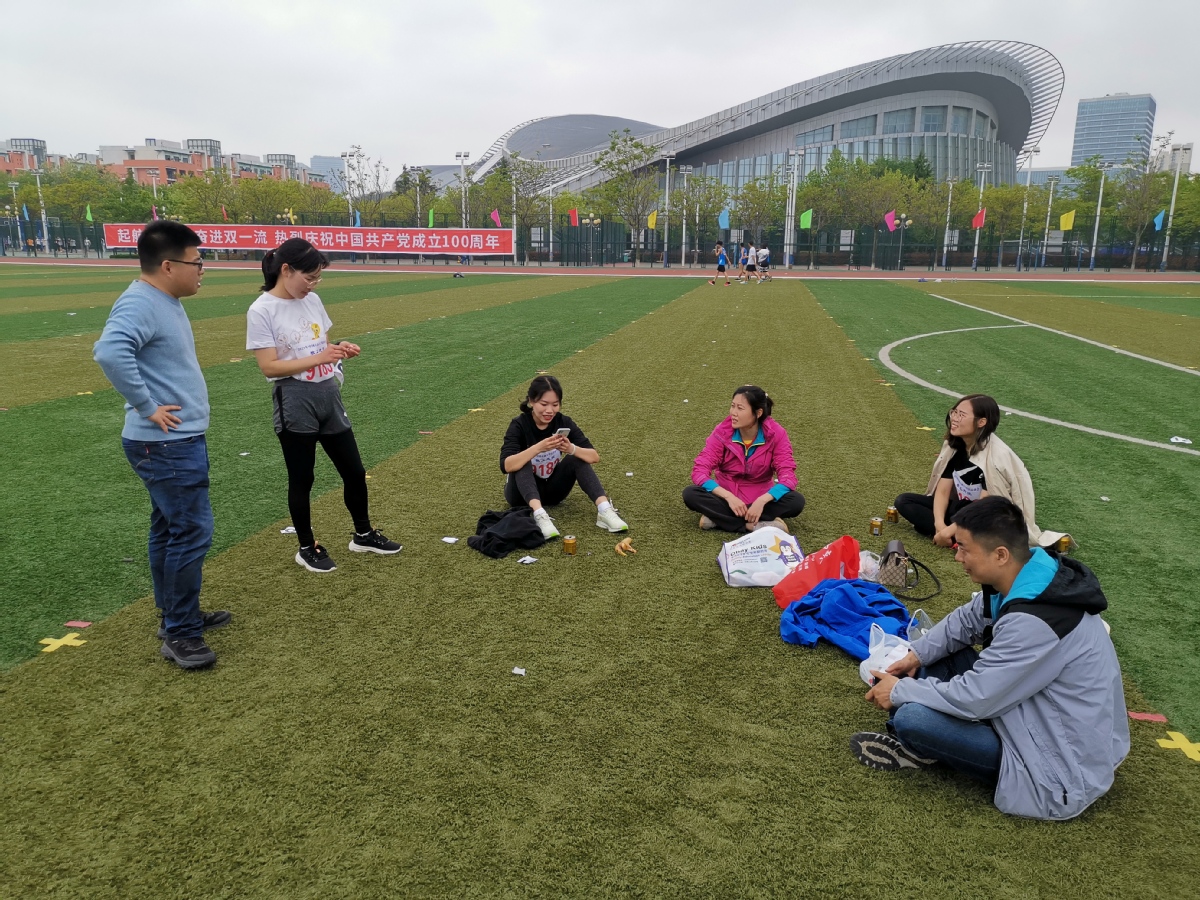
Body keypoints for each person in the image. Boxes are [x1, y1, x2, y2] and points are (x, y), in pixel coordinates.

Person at [849, 496, 1128, 821]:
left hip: (1059, 768)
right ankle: (937, 731)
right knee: (935, 658)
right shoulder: (1031, 574)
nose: (958, 556)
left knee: (914, 720)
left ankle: (926, 745)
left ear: (1000, 555)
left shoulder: (1034, 621)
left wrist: (899, 691)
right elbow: (967, 620)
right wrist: (916, 655)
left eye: (965, 549)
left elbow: (975, 698)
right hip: (1037, 711)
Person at [94, 221, 231, 670]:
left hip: (173, 441)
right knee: (190, 532)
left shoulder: (163, 300)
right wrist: (147, 405)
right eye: (197, 262)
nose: (202, 269)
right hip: (166, 444)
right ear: (168, 265)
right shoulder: (141, 302)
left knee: (170, 529)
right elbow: (109, 352)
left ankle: (176, 615)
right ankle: (181, 632)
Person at [246, 238, 401, 573]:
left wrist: (340, 348)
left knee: (354, 471)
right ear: (286, 270)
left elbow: (321, 343)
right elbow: (269, 367)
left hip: (328, 393)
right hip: (294, 399)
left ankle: (363, 534)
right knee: (303, 478)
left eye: (318, 278)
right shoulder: (262, 310)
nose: (313, 284)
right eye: (309, 277)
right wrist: (320, 357)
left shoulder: (312, 300)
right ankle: (307, 547)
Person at [894, 393, 1066, 549]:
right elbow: (943, 491)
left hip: (986, 516)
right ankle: (957, 537)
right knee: (904, 501)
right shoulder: (955, 445)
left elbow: (985, 507)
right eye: (954, 412)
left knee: (986, 526)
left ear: (981, 422)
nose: (954, 418)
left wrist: (947, 531)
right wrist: (940, 526)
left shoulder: (996, 457)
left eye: (962, 415)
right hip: (961, 510)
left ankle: (955, 536)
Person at [500, 374, 628, 540]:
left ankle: (604, 510)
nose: (549, 410)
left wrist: (571, 448)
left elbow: (594, 456)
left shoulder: (563, 422)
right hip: (520, 497)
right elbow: (507, 465)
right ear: (531, 401)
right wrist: (538, 448)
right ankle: (539, 515)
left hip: (553, 492)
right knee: (522, 461)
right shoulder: (519, 424)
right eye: (544, 404)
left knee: (577, 457)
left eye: (555, 404)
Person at [683, 385, 805, 532]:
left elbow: (788, 477)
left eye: (740, 408)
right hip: (726, 497)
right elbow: (699, 471)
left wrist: (762, 500)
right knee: (690, 494)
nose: (733, 413)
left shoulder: (777, 434)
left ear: (758, 413)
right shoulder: (722, 432)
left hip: (760, 497)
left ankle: (718, 519)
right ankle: (752, 525)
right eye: (732, 406)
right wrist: (728, 497)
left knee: (796, 501)